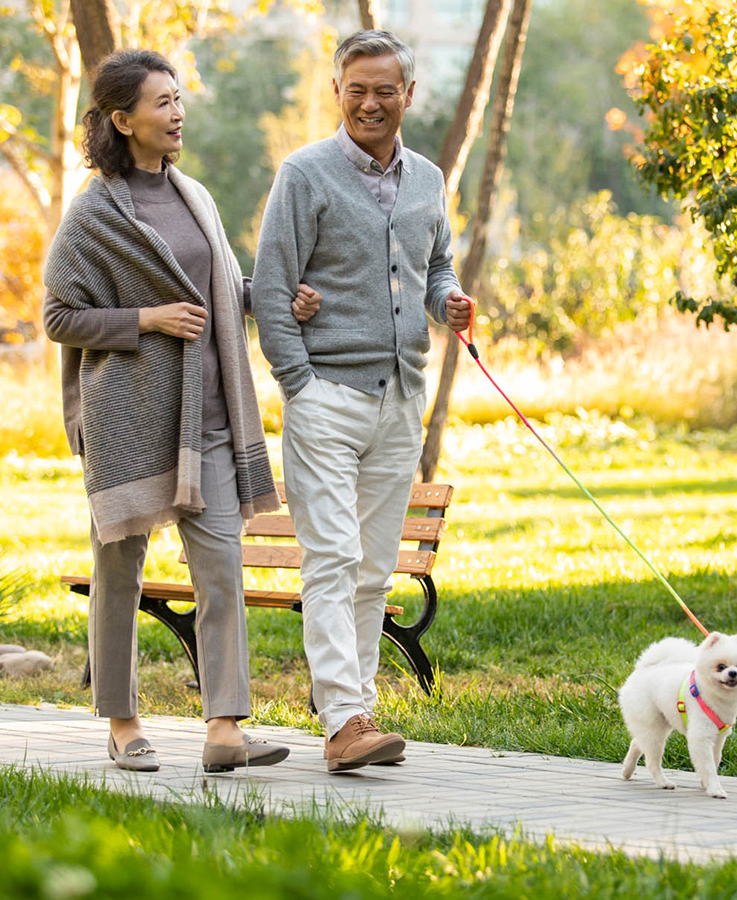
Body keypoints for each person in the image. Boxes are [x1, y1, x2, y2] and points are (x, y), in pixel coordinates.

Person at [43, 49, 318, 773]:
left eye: (177, 99)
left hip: (212, 420)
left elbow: (219, 291)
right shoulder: (95, 212)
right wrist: (148, 319)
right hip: (129, 422)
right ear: (121, 118)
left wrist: (275, 296)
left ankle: (225, 728)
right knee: (119, 572)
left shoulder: (195, 196)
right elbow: (59, 316)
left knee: (221, 567)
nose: (176, 112)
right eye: (161, 102)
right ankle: (123, 721)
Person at [252, 30, 472, 773]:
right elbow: (272, 287)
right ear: (338, 92)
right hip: (327, 396)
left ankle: (358, 713)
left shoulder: (428, 179)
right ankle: (343, 719)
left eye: (385, 90)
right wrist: (299, 384)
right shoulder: (304, 174)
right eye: (357, 89)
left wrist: (449, 300)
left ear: (409, 95)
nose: (370, 102)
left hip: (401, 397)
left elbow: (435, 263)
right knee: (333, 558)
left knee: (375, 568)